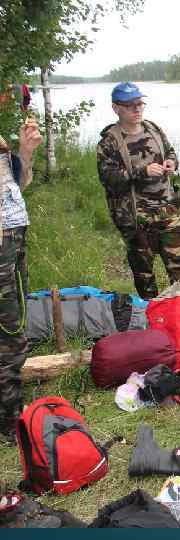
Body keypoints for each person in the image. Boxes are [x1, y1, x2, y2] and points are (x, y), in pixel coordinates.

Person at [96, 82, 180, 299]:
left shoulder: (153, 128)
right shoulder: (109, 143)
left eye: (140, 103)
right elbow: (109, 180)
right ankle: (150, 318)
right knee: (144, 275)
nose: (137, 109)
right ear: (116, 108)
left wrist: (171, 163)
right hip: (136, 218)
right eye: (130, 105)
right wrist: (142, 171)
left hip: (167, 211)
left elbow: (170, 152)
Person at [0, 118, 42, 444]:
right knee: (9, 335)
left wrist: (25, 153)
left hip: (14, 238)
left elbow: (16, 185)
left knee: (18, 319)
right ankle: (10, 423)